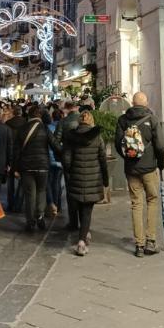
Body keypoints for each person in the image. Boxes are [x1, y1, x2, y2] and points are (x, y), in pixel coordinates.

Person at [115, 91, 164, 257]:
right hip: (149, 168)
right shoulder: (152, 119)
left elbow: (118, 144)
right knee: (152, 200)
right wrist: (160, 163)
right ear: (146, 103)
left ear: (132, 103)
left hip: (131, 168)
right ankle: (150, 241)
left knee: (136, 203)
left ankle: (139, 244)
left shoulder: (123, 120)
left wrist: (128, 157)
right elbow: (160, 145)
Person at [62, 111, 108, 256]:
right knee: (87, 210)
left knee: (81, 207)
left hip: (76, 177)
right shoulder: (97, 137)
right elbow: (102, 159)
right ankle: (81, 242)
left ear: (79, 121)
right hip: (93, 179)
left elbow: (67, 160)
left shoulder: (71, 137)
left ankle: (84, 233)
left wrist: (70, 172)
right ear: (91, 121)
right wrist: (105, 178)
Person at [13, 107, 50, 233]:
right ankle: (39, 215)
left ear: (28, 116)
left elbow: (16, 151)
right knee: (41, 191)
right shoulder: (45, 128)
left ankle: (30, 222)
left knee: (30, 194)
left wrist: (15, 168)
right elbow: (55, 144)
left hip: (26, 167)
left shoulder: (22, 129)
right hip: (43, 166)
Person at [53, 100, 81, 230]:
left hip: (68, 160)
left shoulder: (63, 122)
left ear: (66, 109)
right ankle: (83, 221)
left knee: (70, 191)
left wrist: (63, 153)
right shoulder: (85, 119)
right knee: (82, 189)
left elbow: (56, 141)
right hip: (83, 159)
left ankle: (73, 221)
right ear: (76, 108)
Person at [46, 108, 64, 217]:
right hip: (60, 159)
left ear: (52, 116)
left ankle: (52, 204)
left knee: (50, 182)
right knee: (57, 182)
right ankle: (58, 205)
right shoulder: (64, 127)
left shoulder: (48, 128)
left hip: (49, 159)